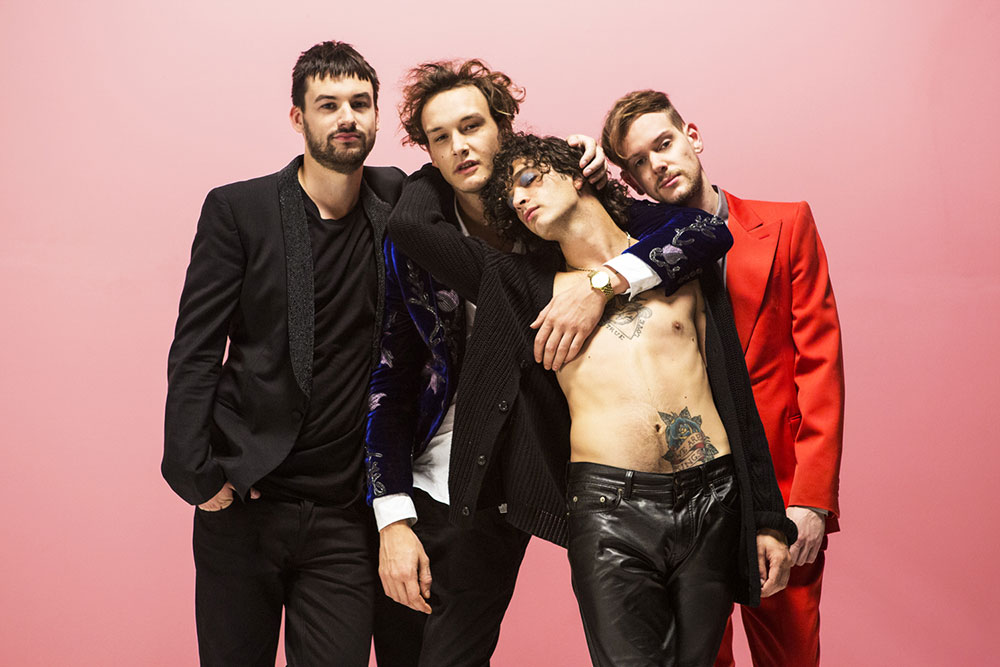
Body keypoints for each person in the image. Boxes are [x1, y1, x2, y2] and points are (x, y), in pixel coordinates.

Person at [391, 132, 796, 667]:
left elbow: (734, 393)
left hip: (712, 497)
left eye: (529, 179)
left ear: (577, 175)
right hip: (610, 511)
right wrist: (440, 153)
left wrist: (766, 516)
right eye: (511, 197)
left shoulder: (678, 262)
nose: (520, 198)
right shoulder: (520, 286)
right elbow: (412, 228)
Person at [366, 59, 646, 666]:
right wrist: (391, 514)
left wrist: (603, 268)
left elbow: (687, 234)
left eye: (472, 126)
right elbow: (392, 372)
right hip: (432, 478)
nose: (460, 147)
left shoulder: (554, 212)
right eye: (440, 137)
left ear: (505, 127)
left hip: (522, 478)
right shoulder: (418, 232)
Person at [162, 41, 420, 666]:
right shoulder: (239, 210)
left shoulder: (399, 197)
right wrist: (195, 473)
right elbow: (196, 348)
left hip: (344, 516)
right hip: (246, 502)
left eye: (360, 103)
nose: (347, 118)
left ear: (377, 114)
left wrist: (581, 163)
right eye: (328, 105)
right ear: (298, 118)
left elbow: (478, 179)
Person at [602, 89, 845, 667]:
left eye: (664, 144)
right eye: (639, 162)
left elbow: (820, 365)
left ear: (693, 136)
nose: (658, 164)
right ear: (631, 181)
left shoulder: (787, 224)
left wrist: (811, 501)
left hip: (780, 490)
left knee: (791, 657)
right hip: (687, 499)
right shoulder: (632, 257)